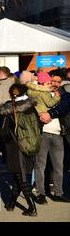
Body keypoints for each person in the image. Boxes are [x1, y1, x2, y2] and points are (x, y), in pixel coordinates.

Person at [0, 84, 38, 216]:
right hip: (30, 145)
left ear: (13, 94)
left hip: (15, 147)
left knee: (21, 178)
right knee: (18, 176)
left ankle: (32, 208)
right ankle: (11, 202)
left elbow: (3, 132)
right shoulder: (31, 107)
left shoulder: (10, 109)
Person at [31, 73, 70, 203]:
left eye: (58, 82)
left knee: (58, 166)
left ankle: (58, 193)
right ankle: (41, 194)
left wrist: (50, 114)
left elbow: (64, 108)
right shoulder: (39, 93)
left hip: (58, 134)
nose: (55, 84)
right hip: (42, 132)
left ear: (61, 83)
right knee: (40, 165)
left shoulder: (64, 96)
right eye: (52, 81)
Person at [0, 67, 15, 161]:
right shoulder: (14, 85)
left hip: (2, 117)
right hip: (13, 116)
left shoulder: (0, 87)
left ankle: (7, 163)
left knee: (3, 141)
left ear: (0, 74)